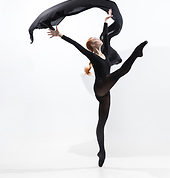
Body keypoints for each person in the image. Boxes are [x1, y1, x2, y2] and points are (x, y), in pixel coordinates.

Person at [47, 9, 148, 167]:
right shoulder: (92, 56)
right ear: (93, 45)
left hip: (105, 92)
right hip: (100, 86)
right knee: (119, 73)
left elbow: (106, 38)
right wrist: (60, 35)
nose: (98, 39)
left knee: (101, 123)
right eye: (95, 39)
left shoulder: (105, 54)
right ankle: (137, 53)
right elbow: (77, 46)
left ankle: (101, 151)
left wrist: (105, 22)